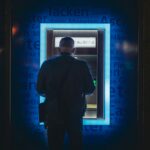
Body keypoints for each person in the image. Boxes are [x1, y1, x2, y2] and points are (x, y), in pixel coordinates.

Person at [37, 37, 95, 150]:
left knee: (54, 144)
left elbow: (39, 88)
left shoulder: (47, 65)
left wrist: (52, 97)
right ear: (74, 49)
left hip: (54, 112)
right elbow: (90, 88)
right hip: (74, 113)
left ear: (59, 49)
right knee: (76, 144)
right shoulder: (81, 65)